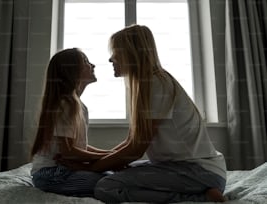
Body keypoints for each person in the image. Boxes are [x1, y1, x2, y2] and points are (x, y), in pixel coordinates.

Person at [58, 25, 226, 203]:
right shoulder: (147, 85)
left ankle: (201, 198)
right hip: (182, 169)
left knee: (106, 187)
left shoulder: (156, 83)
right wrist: (98, 164)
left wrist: (92, 168)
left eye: (115, 53)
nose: (110, 59)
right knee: (117, 170)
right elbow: (131, 143)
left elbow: (136, 149)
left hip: (198, 171)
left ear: (131, 53)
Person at [30, 48, 112, 197]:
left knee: (112, 175)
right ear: (72, 71)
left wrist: (111, 154)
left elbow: (79, 147)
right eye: (86, 62)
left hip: (61, 171)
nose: (92, 65)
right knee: (111, 181)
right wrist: (108, 157)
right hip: (51, 175)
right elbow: (69, 152)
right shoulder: (66, 104)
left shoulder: (77, 105)